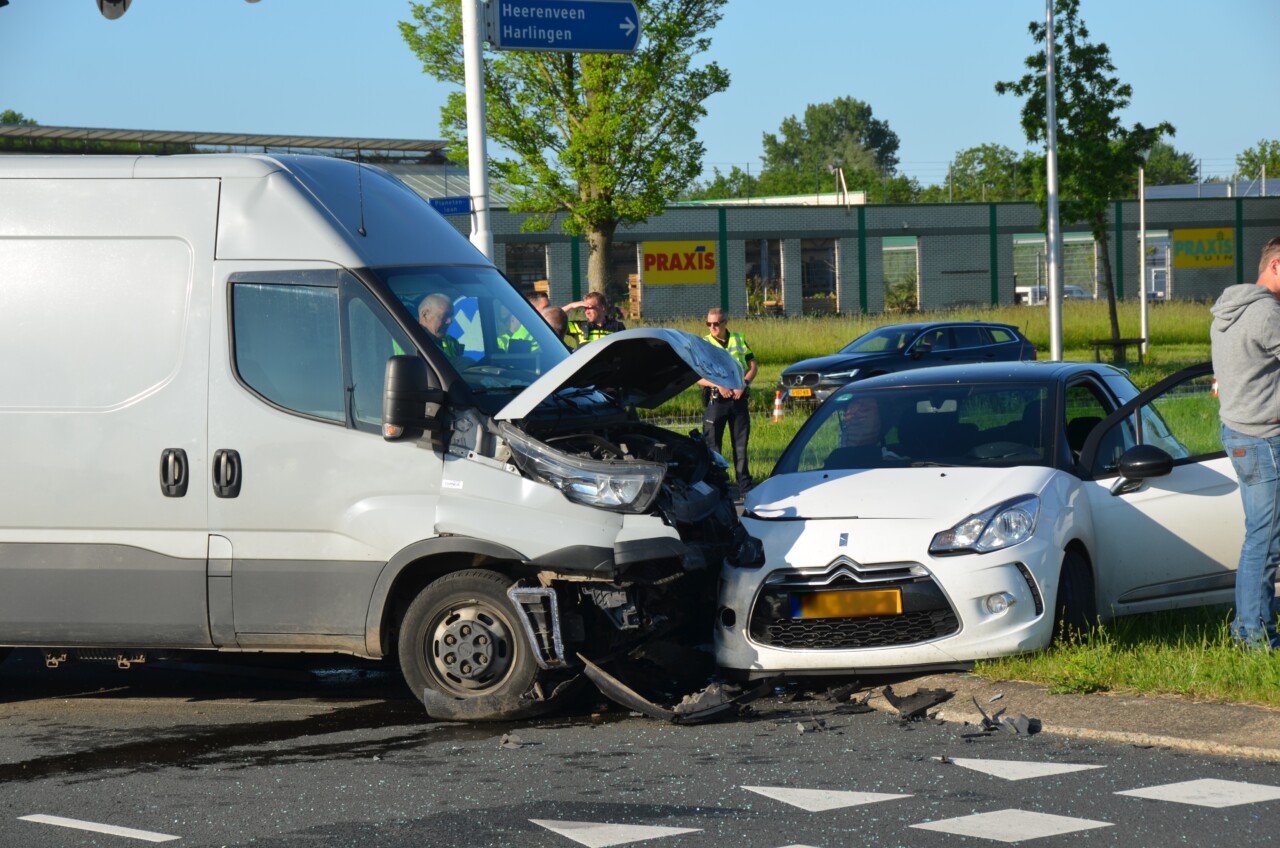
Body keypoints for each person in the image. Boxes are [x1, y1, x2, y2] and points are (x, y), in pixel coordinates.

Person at [1210, 235, 1280, 649]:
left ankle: (1246, 628)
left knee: (1261, 536)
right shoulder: (1267, 313)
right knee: (1266, 540)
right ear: (1275, 266)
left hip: (1238, 431)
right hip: (1263, 439)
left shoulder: (1228, 310)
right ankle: (1255, 637)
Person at [698, 307, 757, 496]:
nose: (712, 327)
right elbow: (696, 376)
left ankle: (745, 487)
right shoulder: (704, 343)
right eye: (709, 324)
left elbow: (753, 366)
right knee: (713, 448)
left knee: (740, 446)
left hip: (738, 400)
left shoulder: (738, 339)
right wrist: (717, 385)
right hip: (716, 401)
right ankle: (718, 486)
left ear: (725, 322)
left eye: (716, 323)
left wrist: (744, 384)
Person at [418, 293, 464, 360]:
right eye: (445, 315)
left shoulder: (452, 343)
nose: (450, 321)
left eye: (450, 316)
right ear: (425, 315)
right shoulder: (410, 341)